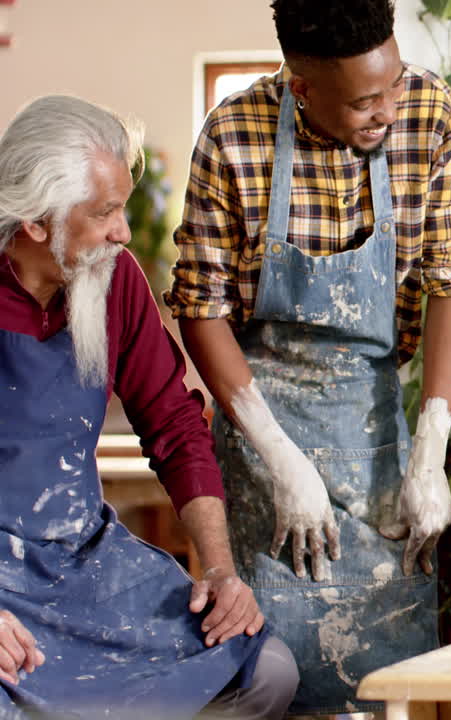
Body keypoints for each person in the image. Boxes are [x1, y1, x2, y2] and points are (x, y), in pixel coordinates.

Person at [165, 0, 451, 713]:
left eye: (395, 83)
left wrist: (429, 448)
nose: (389, 109)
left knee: (386, 687)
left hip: (375, 443)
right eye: (367, 101)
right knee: (273, 680)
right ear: (302, 89)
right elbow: (199, 307)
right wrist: (280, 457)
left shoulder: (430, 115)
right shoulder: (234, 135)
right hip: (260, 445)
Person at [0, 95, 298, 720]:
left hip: (83, 567)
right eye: (105, 213)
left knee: (265, 671)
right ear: (35, 221)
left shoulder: (116, 280)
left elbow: (175, 426)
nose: (123, 233)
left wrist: (218, 571)